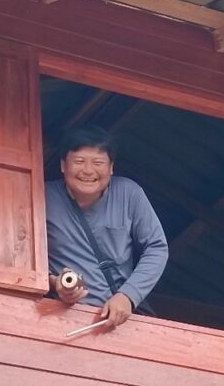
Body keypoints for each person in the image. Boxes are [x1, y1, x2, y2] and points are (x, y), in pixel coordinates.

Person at [45, 126, 168, 328]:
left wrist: (128, 296)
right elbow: (20, 252)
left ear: (111, 168)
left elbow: (157, 248)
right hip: (62, 316)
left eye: (98, 162)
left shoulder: (129, 194)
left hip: (119, 318)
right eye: (79, 161)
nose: (88, 170)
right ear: (62, 165)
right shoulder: (42, 196)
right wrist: (53, 283)